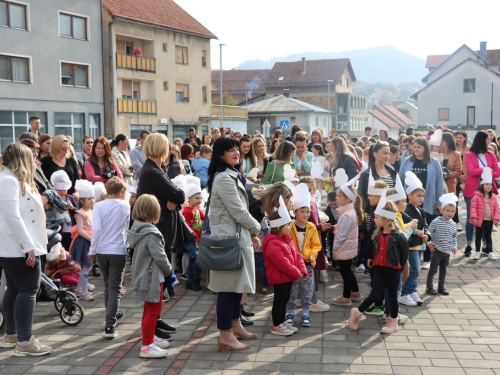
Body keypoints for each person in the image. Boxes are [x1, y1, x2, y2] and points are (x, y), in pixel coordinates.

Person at [207, 136, 261, 352]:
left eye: (237, 149)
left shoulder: (232, 174)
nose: (236, 152)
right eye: (230, 150)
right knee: (227, 289)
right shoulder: (224, 178)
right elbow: (238, 211)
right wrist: (256, 227)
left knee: (237, 286)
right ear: (221, 155)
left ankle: (235, 325)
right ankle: (225, 334)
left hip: (237, 238)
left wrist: (252, 233)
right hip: (228, 241)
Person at [0, 143, 52, 356]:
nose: (35, 161)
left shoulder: (11, 179)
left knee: (15, 289)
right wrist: (27, 246)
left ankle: (13, 335)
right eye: (31, 157)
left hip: (16, 246)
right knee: (28, 290)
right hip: (17, 247)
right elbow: (13, 215)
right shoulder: (8, 180)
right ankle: (24, 340)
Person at [137, 133, 186, 332]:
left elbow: (177, 198)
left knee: (160, 283)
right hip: (156, 232)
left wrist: (175, 202)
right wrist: (175, 200)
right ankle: (152, 325)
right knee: (157, 282)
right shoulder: (153, 172)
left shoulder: (157, 169)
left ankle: (155, 319)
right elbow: (180, 194)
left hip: (160, 229)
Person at [348, 191, 409, 334]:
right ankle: (357, 312)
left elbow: (404, 256)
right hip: (379, 270)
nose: (374, 219)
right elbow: (374, 250)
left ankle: (393, 322)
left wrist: (399, 270)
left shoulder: (399, 236)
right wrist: (371, 259)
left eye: (377, 217)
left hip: (393, 270)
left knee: (393, 296)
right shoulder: (377, 234)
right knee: (374, 295)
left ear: (387, 219)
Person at [128, 194, 172, 358]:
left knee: (149, 309)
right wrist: (169, 272)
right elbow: (160, 257)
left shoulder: (137, 229)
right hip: (152, 277)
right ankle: (147, 345)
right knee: (154, 310)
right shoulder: (151, 233)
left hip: (144, 276)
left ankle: (149, 337)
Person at [88, 177, 129, 338]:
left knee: (107, 286)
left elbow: (96, 230)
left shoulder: (98, 206)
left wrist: (92, 250)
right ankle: (110, 324)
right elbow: (126, 228)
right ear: (120, 192)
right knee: (115, 288)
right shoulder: (125, 205)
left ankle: (112, 314)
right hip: (118, 250)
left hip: (102, 250)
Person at [262, 198, 305, 336]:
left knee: (285, 300)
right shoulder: (273, 244)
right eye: (287, 225)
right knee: (279, 301)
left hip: (287, 277)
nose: (290, 227)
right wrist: (296, 273)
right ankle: (276, 325)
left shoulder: (286, 239)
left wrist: (302, 269)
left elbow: (296, 255)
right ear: (278, 227)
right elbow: (283, 263)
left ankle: (282, 322)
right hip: (280, 278)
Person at [400, 136, 444, 267]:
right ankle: (412, 255)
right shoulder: (407, 161)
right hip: (410, 202)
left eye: (419, 146)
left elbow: (439, 182)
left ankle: (427, 258)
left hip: (428, 200)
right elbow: (401, 179)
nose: (416, 149)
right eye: (414, 146)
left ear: (425, 148)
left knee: (426, 229)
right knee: (412, 227)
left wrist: (438, 202)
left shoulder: (434, 162)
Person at [285, 184, 321, 327]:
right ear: (295, 212)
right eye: (302, 212)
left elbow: (316, 245)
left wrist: (312, 255)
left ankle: (306, 311)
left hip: (307, 264)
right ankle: (290, 311)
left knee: (307, 289)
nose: (306, 214)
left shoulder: (311, 227)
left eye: (307, 212)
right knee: (292, 289)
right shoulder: (289, 227)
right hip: (293, 264)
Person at [463, 131, 500, 256]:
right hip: (472, 190)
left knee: (486, 218)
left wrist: (486, 173)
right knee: (471, 217)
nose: (489, 141)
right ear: (481, 141)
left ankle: (486, 245)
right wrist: (486, 170)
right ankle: (469, 245)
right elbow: (471, 172)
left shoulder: (491, 155)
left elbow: (497, 172)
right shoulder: (469, 154)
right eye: (487, 139)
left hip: (487, 190)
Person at [330, 182, 364, 306]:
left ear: (348, 198)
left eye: (339, 196)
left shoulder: (347, 215)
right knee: (348, 270)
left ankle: (346, 297)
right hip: (348, 248)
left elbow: (342, 235)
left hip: (344, 249)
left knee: (346, 273)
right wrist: (332, 227)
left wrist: (335, 248)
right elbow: (342, 229)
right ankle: (355, 292)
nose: (336, 198)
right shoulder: (349, 212)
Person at [401, 172, 429, 306]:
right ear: (409, 196)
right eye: (418, 195)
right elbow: (404, 226)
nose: (421, 198)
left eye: (422, 196)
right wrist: (416, 231)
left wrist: (427, 234)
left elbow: (426, 225)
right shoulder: (406, 210)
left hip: (420, 244)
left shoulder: (422, 211)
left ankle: (412, 291)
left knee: (415, 271)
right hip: (411, 245)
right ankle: (404, 293)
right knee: (416, 271)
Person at [426, 194, 458, 295]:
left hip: (447, 252)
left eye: (452, 211)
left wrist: (454, 246)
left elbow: (454, 237)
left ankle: (441, 286)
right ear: (442, 211)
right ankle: (429, 286)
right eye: (447, 210)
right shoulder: (436, 221)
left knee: (443, 270)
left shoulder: (453, 224)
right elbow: (428, 233)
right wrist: (429, 243)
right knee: (433, 269)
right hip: (437, 250)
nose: (450, 213)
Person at [70, 179, 95, 301]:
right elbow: (80, 230)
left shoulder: (93, 211)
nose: (92, 200)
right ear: (82, 200)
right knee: (86, 266)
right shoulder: (80, 213)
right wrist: (91, 238)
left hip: (91, 240)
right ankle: (84, 291)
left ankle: (79, 289)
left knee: (88, 267)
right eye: (89, 198)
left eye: (93, 198)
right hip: (84, 242)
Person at [469, 168, 499, 260]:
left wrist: (496, 218)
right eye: (486, 184)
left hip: (489, 219)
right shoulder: (476, 196)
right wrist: (474, 217)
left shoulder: (493, 197)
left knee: (488, 236)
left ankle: (490, 251)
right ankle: (477, 251)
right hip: (479, 220)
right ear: (482, 185)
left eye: (490, 184)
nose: (489, 186)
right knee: (478, 235)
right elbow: (473, 207)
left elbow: (496, 209)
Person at [181, 185, 204, 291]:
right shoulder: (186, 211)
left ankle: (189, 281)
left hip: (197, 239)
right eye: (197, 198)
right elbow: (187, 227)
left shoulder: (197, 208)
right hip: (190, 240)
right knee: (197, 259)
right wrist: (195, 238)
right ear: (189, 198)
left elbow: (204, 217)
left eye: (200, 198)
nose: (199, 200)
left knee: (192, 260)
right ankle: (196, 280)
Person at [440, 132, 462, 230]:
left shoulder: (456, 154)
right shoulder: (436, 152)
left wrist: (447, 175)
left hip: (450, 183)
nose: (440, 142)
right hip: (439, 184)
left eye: (442, 140)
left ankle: (453, 223)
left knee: (451, 204)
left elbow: (458, 171)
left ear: (447, 141)